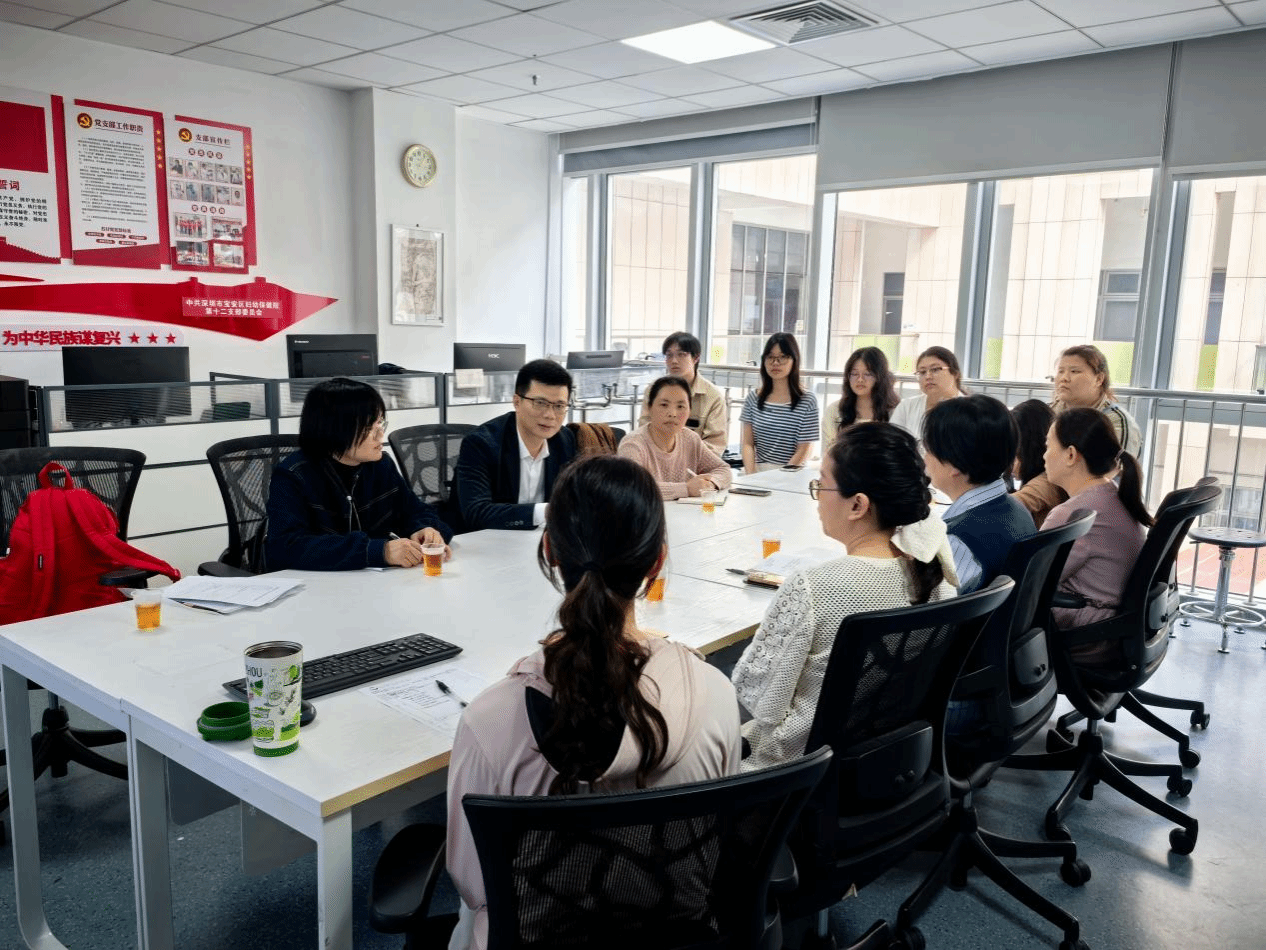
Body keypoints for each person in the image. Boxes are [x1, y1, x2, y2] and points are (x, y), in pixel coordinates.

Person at [445, 455, 742, 949]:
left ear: (549, 550)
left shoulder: (491, 720)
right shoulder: (715, 694)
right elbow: (714, 846)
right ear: (658, 562)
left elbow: (475, 884)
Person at [731, 423, 957, 772]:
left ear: (857, 505)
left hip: (793, 771)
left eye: (822, 483)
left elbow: (757, 697)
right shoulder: (939, 576)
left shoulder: (813, 587)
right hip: (892, 762)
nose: (818, 494)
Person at [265, 378, 452, 571]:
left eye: (380, 423)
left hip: (377, 581)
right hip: (317, 585)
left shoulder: (381, 465)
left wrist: (424, 529)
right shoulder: (293, 475)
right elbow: (286, 547)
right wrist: (378, 551)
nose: (380, 435)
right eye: (368, 428)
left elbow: (416, 511)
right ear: (334, 431)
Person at [1041, 408, 1153, 663]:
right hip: (1114, 628)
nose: (1044, 455)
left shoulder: (1073, 514)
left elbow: (1031, 583)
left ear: (1071, 455)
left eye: (1048, 446)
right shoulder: (1114, 495)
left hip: (1088, 635)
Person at [923, 394, 1035, 594]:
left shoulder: (958, 541)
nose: (924, 458)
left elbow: (928, 608)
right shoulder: (1015, 508)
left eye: (928, 449)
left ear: (954, 464)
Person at [455, 359, 579, 531]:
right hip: (486, 540)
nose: (550, 415)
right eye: (540, 403)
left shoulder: (564, 440)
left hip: (541, 539)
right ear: (517, 402)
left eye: (559, 406)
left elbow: (574, 497)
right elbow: (477, 514)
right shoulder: (481, 444)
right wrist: (548, 511)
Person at [619, 375, 732, 499]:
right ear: (650, 408)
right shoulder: (633, 444)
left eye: (680, 407)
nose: (672, 414)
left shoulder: (690, 439)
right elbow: (632, 487)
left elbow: (723, 469)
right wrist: (686, 489)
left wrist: (709, 484)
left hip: (684, 511)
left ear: (689, 411)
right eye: (664, 405)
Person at [739, 332, 819, 473]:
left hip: (792, 472)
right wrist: (750, 475)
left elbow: (803, 449)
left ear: (794, 360)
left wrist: (781, 477)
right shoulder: (753, 398)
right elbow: (747, 444)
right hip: (757, 471)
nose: (775, 363)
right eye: (770, 357)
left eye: (782, 357)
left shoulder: (807, 400)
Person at [636, 331, 728, 451]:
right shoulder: (653, 390)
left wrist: (680, 457)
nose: (674, 361)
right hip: (656, 456)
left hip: (696, 460)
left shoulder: (713, 397)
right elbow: (644, 430)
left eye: (681, 354)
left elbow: (715, 444)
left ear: (696, 358)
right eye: (669, 355)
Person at [1051, 344, 1141, 457]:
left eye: (1074, 371)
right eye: (1060, 371)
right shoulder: (1047, 413)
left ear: (1099, 379)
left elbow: (1117, 467)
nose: (1064, 378)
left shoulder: (1116, 422)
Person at [820, 346, 900, 455]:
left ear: (880, 377)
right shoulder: (834, 410)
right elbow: (828, 454)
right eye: (854, 374)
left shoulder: (896, 411)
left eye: (867, 374)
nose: (860, 379)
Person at [890, 345, 966, 443]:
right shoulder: (907, 406)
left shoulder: (970, 411)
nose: (928, 376)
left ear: (955, 373)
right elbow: (892, 443)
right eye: (922, 372)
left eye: (935, 369)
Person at [1009, 398, 1065, 527]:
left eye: (1015, 453)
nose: (1009, 462)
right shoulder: (1054, 478)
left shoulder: (1044, 485)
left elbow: (998, 510)